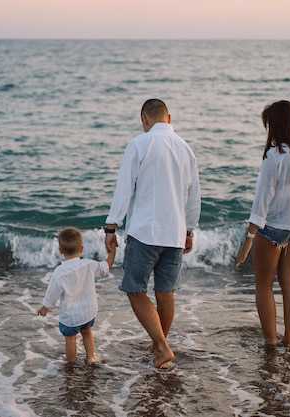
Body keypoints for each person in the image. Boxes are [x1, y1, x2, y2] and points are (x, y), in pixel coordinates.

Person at [104, 98, 201, 368]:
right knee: (165, 292)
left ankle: (161, 347)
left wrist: (111, 226)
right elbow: (194, 196)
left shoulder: (139, 144)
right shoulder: (185, 148)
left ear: (144, 120)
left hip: (145, 232)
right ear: (169, 118)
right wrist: (190, 230)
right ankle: (160, 346)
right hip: (175, 234)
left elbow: (124, 190)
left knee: (134, 290)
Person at [236, 100, 290, 348]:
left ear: (275, 126)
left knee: (263, 285)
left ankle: (271, 343)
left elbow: (261, 201)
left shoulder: (274, 157)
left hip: (274, 226)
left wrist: (248, 241)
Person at [38, 227, 115, 364]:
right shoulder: (89, 265)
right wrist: (112, 251)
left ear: (60, 251)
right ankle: (91, 357)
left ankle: (71, 364)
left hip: (71, 317)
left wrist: (45, 307)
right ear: (82, 249)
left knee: (70, 339)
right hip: (88, 312)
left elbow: (52, 294)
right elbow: (106, 268)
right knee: (87, 332)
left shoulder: (59, 272)